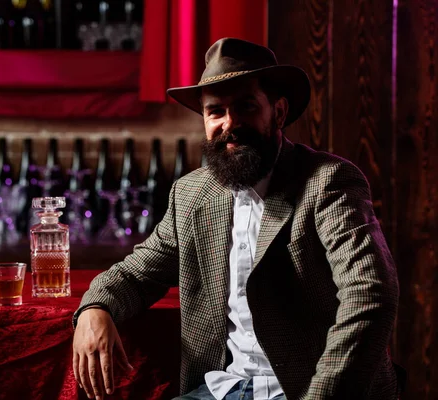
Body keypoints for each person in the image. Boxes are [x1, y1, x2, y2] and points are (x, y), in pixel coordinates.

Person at [72, 38, 400, 400]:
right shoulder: (192, 193)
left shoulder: (328, 182)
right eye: (216, 112)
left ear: (278, 112)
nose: (231, 124)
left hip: (305, 389)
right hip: (222, 388)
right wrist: (95, 306)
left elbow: (369, 294)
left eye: (246, 106)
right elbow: (137, 273)